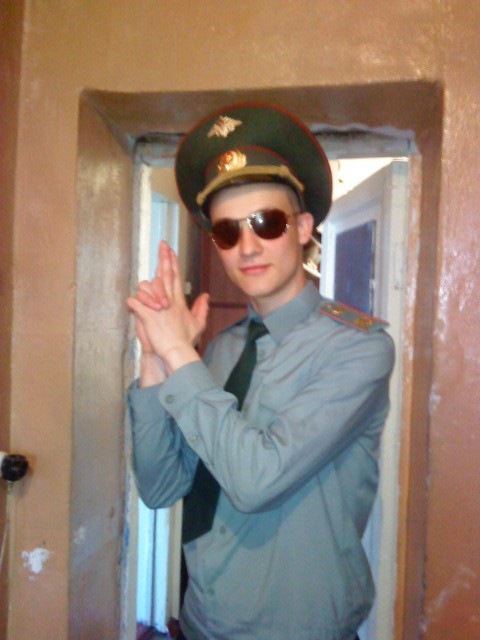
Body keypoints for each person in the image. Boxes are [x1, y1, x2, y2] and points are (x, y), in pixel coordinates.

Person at [126, 103, 395, 640]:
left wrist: (179, 352)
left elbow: (256, 480)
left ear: (302, 227)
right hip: (203, 621)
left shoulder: (359, 349)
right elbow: (161, 487)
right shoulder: (220, 351)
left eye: (266, 223)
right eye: (227, 232)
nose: (247, 247)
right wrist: (155, 360)